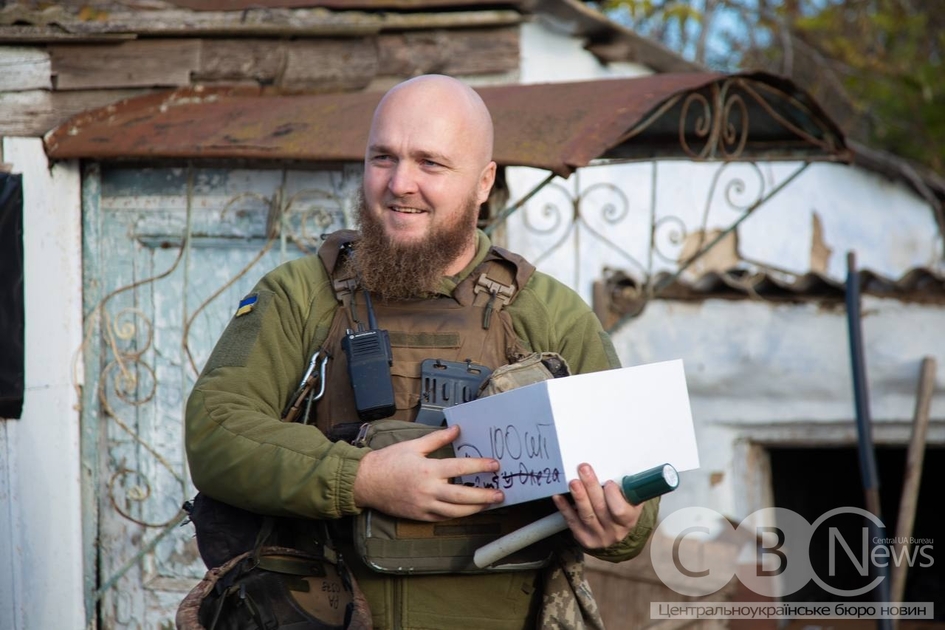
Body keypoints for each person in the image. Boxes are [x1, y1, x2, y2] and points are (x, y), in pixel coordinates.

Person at [184, 74, 658, 629]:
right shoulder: (299, 295)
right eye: (383, 157)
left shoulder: (550, 314)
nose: (399, 183)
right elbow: (215, 431)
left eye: (430, 163)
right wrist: (362, 478)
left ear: (483, 182)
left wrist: (619, 524)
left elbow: (636, 495)